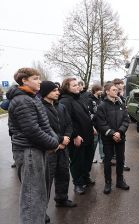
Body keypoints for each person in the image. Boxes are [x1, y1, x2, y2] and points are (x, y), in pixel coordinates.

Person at [8, 68, 59, 224]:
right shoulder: (22, 100)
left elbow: (44, 124)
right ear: (24, 80)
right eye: (36, 78)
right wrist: (53, 143)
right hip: (28, 151)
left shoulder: (31, 98)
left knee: (39, 194)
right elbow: (33, 130)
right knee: (32, 196)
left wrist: (54, 139)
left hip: (36, 149)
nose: (40, 81)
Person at [40, 81, 77, 209]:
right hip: (50, 149)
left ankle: (61, 199)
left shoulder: (61, 106)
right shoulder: (40, 108)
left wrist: (66, 137)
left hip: (63, 147)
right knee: (46, 180)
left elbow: (69, 124)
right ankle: (41, 210)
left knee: (63, 174)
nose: (58, 92)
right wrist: (60, 140)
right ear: (45, 92)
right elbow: (44, 129)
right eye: (54, 90)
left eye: (58, 90)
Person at [59, 77, 95, 195]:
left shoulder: (79, 98)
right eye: (74, 85)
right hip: (77, 137)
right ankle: (78, 183)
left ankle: (85, 177)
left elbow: (86, 115)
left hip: (88, 134)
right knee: (77, 161)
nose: (78, 87)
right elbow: (66, 121)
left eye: (77, 85)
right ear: (67, 88)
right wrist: (75, 135)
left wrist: (92, 127)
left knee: (87, 159)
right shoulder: (65, 101)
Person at [96, 82, 130, 194]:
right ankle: (108, 183)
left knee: (120, 160)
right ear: (107, 92)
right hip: (108, 139)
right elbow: (101, 123)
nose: (117, 91)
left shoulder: (121, 104)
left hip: (120, 137)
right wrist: (112, 133)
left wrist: (120, 132)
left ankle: (120, 181)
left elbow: (126, 120)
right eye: (114, 90)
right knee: (108, 161)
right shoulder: (102, 106)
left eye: (117, 90)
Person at [113, 78, 131, 171]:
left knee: (120, 148)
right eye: (120, 85)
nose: (122, 86)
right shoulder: (114, 98)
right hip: (114, 127)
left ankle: (120, 163)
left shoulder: (120, 97)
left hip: (121, 127)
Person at [88, 84, 104, 163]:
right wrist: (91, 125)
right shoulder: (90, 100)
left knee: (102, 141)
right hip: (94, 124)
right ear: (95, 90)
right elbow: (89, 113)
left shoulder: (100, 99)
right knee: (94, 142)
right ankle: (91, 157)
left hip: (101, 124)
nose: (101, 91)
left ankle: (102, 157)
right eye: (99, 90)